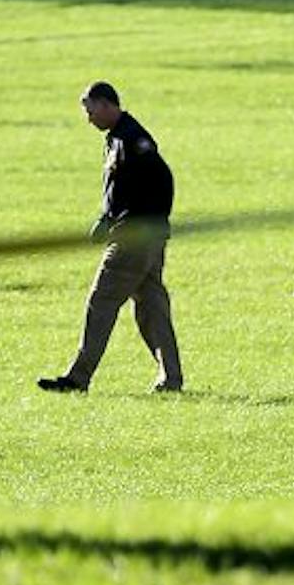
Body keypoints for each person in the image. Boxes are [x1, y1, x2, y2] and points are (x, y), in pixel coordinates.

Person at [38, 82, 185, 394]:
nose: (89, 119)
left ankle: (78, 378)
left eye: (91, 111)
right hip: (145, 236)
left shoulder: (134, 139)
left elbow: (162, 180)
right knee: (151, 308)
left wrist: (130, 223)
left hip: (133, 238)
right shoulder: (119, 138)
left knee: (101, 301)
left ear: (107, 105)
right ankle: (170, 379)